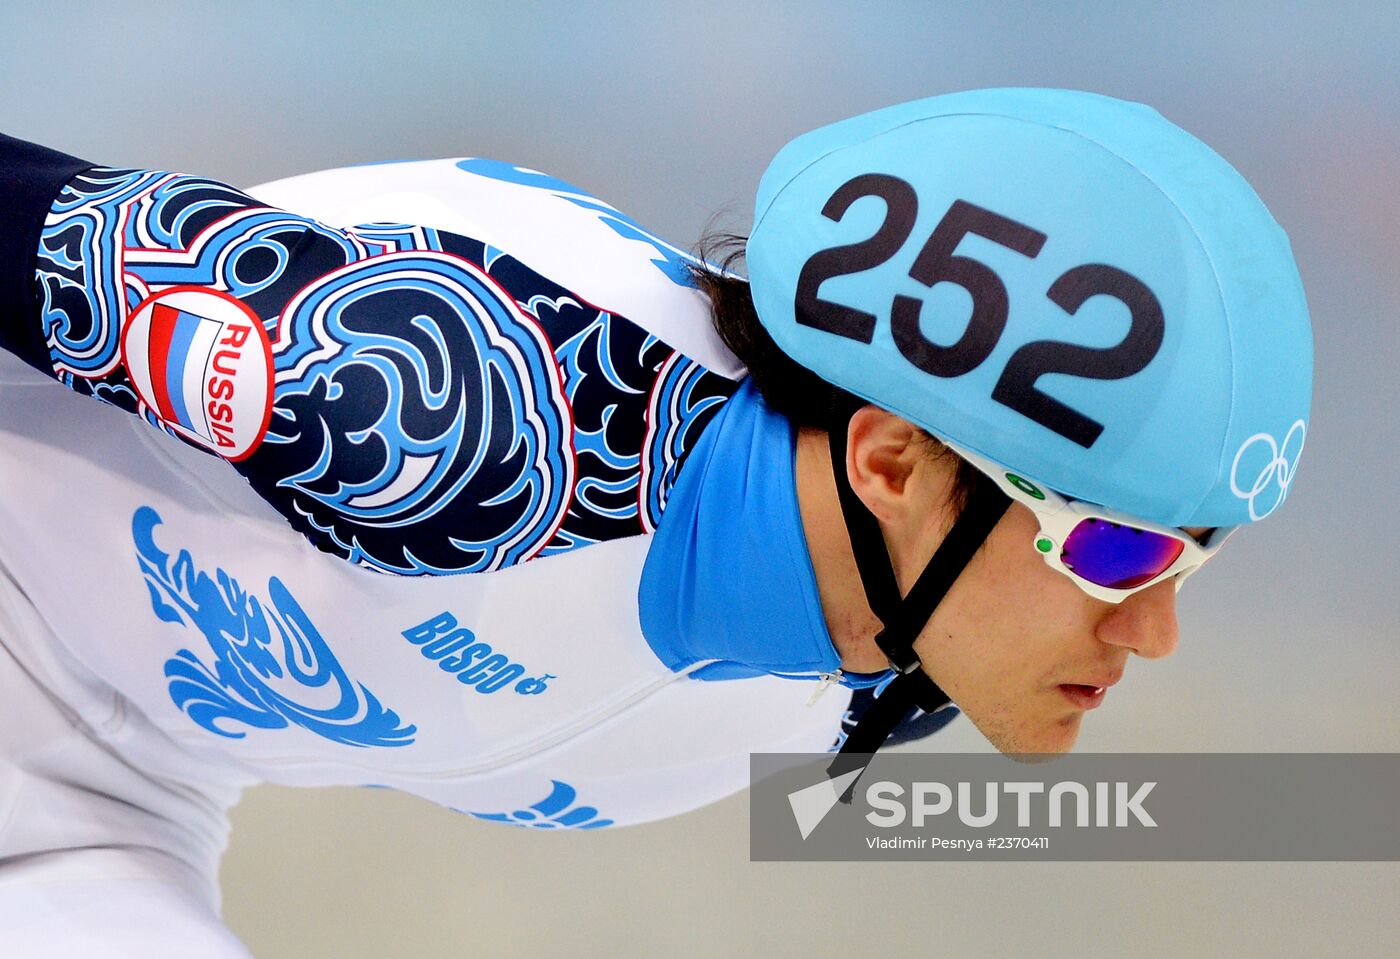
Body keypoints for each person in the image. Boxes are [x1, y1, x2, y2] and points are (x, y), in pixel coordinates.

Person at [0, 88, 1310, 954]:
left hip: (105, 806)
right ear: (896, 462)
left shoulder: (907, 664)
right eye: (1117, 547)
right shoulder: (470, 402)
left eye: (1196, 557)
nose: (1155, 631)